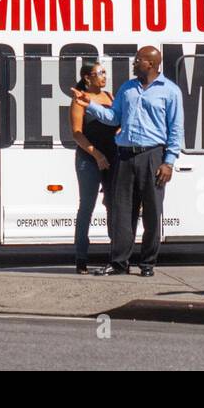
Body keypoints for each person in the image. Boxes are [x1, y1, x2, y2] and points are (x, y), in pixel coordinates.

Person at [73, 46, 183, 277]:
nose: (134, 64)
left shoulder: (170, 91)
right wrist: (89, 104)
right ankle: (119, 263)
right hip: (124, 155)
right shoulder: (127, 88)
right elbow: (114, 118)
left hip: (153, 155)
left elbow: (176, 129)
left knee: (152, 211)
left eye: (138, 61)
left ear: (151, 64)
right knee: (122, 211)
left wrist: (169, 162)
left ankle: (147, 264)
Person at [69, 61, 117, 274]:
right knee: (87, 206)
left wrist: (119, 132)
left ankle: (115, 256)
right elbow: (77, 134)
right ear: (88, 78)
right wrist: (96, 155)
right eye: (99, 73)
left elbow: (118, 120)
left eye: (105, 72)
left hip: (112, 158)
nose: (104, 77)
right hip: (88, 158)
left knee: (113, 205)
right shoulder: (79, 100)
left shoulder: (110, 97)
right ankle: (81, 258)